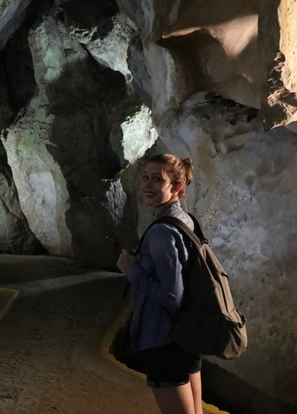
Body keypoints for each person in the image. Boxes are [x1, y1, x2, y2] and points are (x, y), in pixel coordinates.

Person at [117, 153, 203, 414]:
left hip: (165, 340)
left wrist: (132, 270)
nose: (147, 185)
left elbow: (170, 295)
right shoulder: (186, 221)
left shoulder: (162, 232)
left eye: (157, 179)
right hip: (189, 334)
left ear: (176, 187)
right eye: (145, 178)